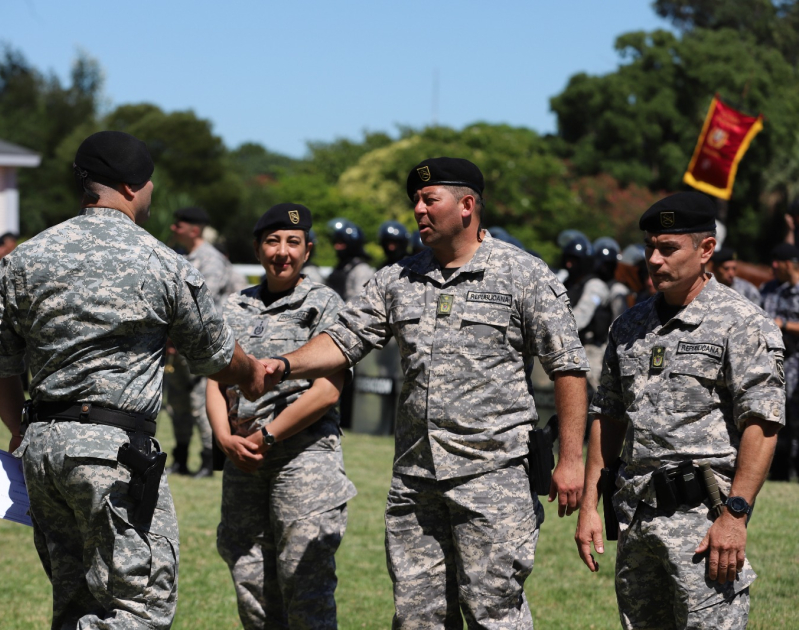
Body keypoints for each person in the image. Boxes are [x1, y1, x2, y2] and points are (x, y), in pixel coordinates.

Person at [260, 157, 589, 628]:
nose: (418, 209)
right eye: (415, 200)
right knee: (417, 617)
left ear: (467, 206)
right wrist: (284, 365)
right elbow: (342, 340)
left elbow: (569, 368)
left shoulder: (524, 276)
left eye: (429, 200)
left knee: (493, 614)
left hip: (491, 477)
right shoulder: (398, 279)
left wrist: (571, 459)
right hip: (415, 481)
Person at [0, 130, 268, 630]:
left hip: (41, 454)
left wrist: (22, 429)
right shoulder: (161, 262)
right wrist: (253, 371)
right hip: (113, 454)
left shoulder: (24, 257)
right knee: (141, 609)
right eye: (151, 184)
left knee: (75, 602)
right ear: (134, 186)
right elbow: (217, 358)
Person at [576, 192, 784, 629]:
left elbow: (762, 424)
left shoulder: (741, 323)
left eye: (668, 248)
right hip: (636, 520)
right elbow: (609, 415)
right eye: (650, 247)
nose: (653, 259)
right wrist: (591, 503)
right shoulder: (629, 326)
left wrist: (735, 515)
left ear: (705, 249)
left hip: (704, 524)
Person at [207, 202, 357, 629]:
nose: (282, 251)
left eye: (294, 242)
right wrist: (224, 437)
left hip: (303, 457)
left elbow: (328, 390)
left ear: (307, 250)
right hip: (243, 461)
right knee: (249, 578)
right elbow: (214, 380)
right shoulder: (234, 306)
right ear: (257, 249)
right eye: (273, 241)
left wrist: (267, 436)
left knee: (303, 580)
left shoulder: (324, 304)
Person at [165, 206, 247, 478]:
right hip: (177, 345)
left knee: (201, 404)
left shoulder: (210, 259)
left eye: (179, 225)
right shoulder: (178, 255)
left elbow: (203, 302)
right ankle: (180, 457)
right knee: (178, 405)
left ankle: (207, 461)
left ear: (194, 229)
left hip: (202, 346)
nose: (173, 228)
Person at [764, 243, 799, 481]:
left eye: (778, 261)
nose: (773, 265)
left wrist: (783, 325)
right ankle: (777, 472)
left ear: (790, 264)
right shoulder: (770, 289)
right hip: (773, 362)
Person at [561, 233, 610, 392]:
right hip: (567, 346)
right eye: (567, 259)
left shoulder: (595, 285)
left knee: (596, 394)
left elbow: (581, 317)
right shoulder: (565, 283)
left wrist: (553, 328)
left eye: (574, 261)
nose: (569, 265)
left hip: (591, 349)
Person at [325, 218, 374, 301]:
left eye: (341, 243)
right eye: (335, 242)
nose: (337, 247)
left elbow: (360, 304)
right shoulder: (341, 267)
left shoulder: (361, 270)